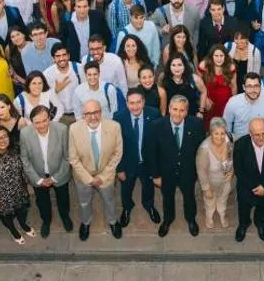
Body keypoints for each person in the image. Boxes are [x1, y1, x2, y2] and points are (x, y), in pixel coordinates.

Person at [146, 94, 205, 237]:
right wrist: (155, 175)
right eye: (175, 109)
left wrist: (199, 172)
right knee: (167, 197)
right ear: (169, 109)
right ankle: (167, 220)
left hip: (188, 172)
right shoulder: (156, 126)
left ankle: (191, 219)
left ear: (187, 111)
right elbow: (151, 153)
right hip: (166, 172)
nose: (178, 114)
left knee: (189, 197)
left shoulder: (196, 125)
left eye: (182, 110)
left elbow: (201, 150)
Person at [67, 99, 123, 241]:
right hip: (83, 177)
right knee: (84, 202)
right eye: (88, 113)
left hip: (106, 176)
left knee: (109, 200)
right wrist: (89, 179)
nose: (93, 117)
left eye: (96, 112)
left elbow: (117, 154)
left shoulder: (114, 127)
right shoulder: (74, 129)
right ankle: (86, 222)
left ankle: (112, 221)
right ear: (83, 115)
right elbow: (73, 158)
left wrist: (102, 177)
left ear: (101, 112)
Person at [19, 106, 73, 238]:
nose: (42, 125)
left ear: (49, 118)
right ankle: (46, 221)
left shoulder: (62, 129)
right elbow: (25, 159)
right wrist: (38, 180)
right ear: (31, 122)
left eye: (45, 120)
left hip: (60, 174)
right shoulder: (24, 133)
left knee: (63, 199)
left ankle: (65, 216)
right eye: (37, 122)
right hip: (38, 176)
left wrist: (54, 178)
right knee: (42, 202)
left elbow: (67, 157)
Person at [0, 125, 35, 244]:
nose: (2, 140)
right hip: (1, 197)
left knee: (22, 212)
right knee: (7, 217)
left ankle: (24, 225)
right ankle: (13, 231)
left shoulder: (16, 150)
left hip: (19, 192)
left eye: (5, 136)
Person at [114, 88, 161, 228]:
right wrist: (119, 168)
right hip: (128, 163)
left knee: (148, 187)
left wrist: (157, 167)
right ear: (127, 103)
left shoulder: (154, 114)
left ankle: (149, 205)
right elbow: (116, 145)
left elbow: (158, 142)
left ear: (143, 102)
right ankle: (127, 207)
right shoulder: (118, 117)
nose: (135, 106)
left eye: (138, 102)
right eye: (131, 103)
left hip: (147, 163)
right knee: (126, 188)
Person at [233, 118, 264, 242]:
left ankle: (260, 223)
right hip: (247, 186)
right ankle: (244, 224)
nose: (261, 138)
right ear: (250, 134)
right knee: (243, 208)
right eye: (257, 135)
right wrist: (254, 187)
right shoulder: (240, 145)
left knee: (263, 207)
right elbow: (239, 170)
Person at [197, 117, 234, 229]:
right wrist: (206, 188)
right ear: (211, 133)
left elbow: (233, 160)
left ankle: (222, 215)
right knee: (209, 202)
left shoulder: (229, 142)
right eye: (216, 133)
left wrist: (232, 171)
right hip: (210, 181)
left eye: (222, 133)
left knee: (223, 200)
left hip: (225, 181)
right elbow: (201, 171)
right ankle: (209, 217)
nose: (220, 137)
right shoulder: (204, 149)